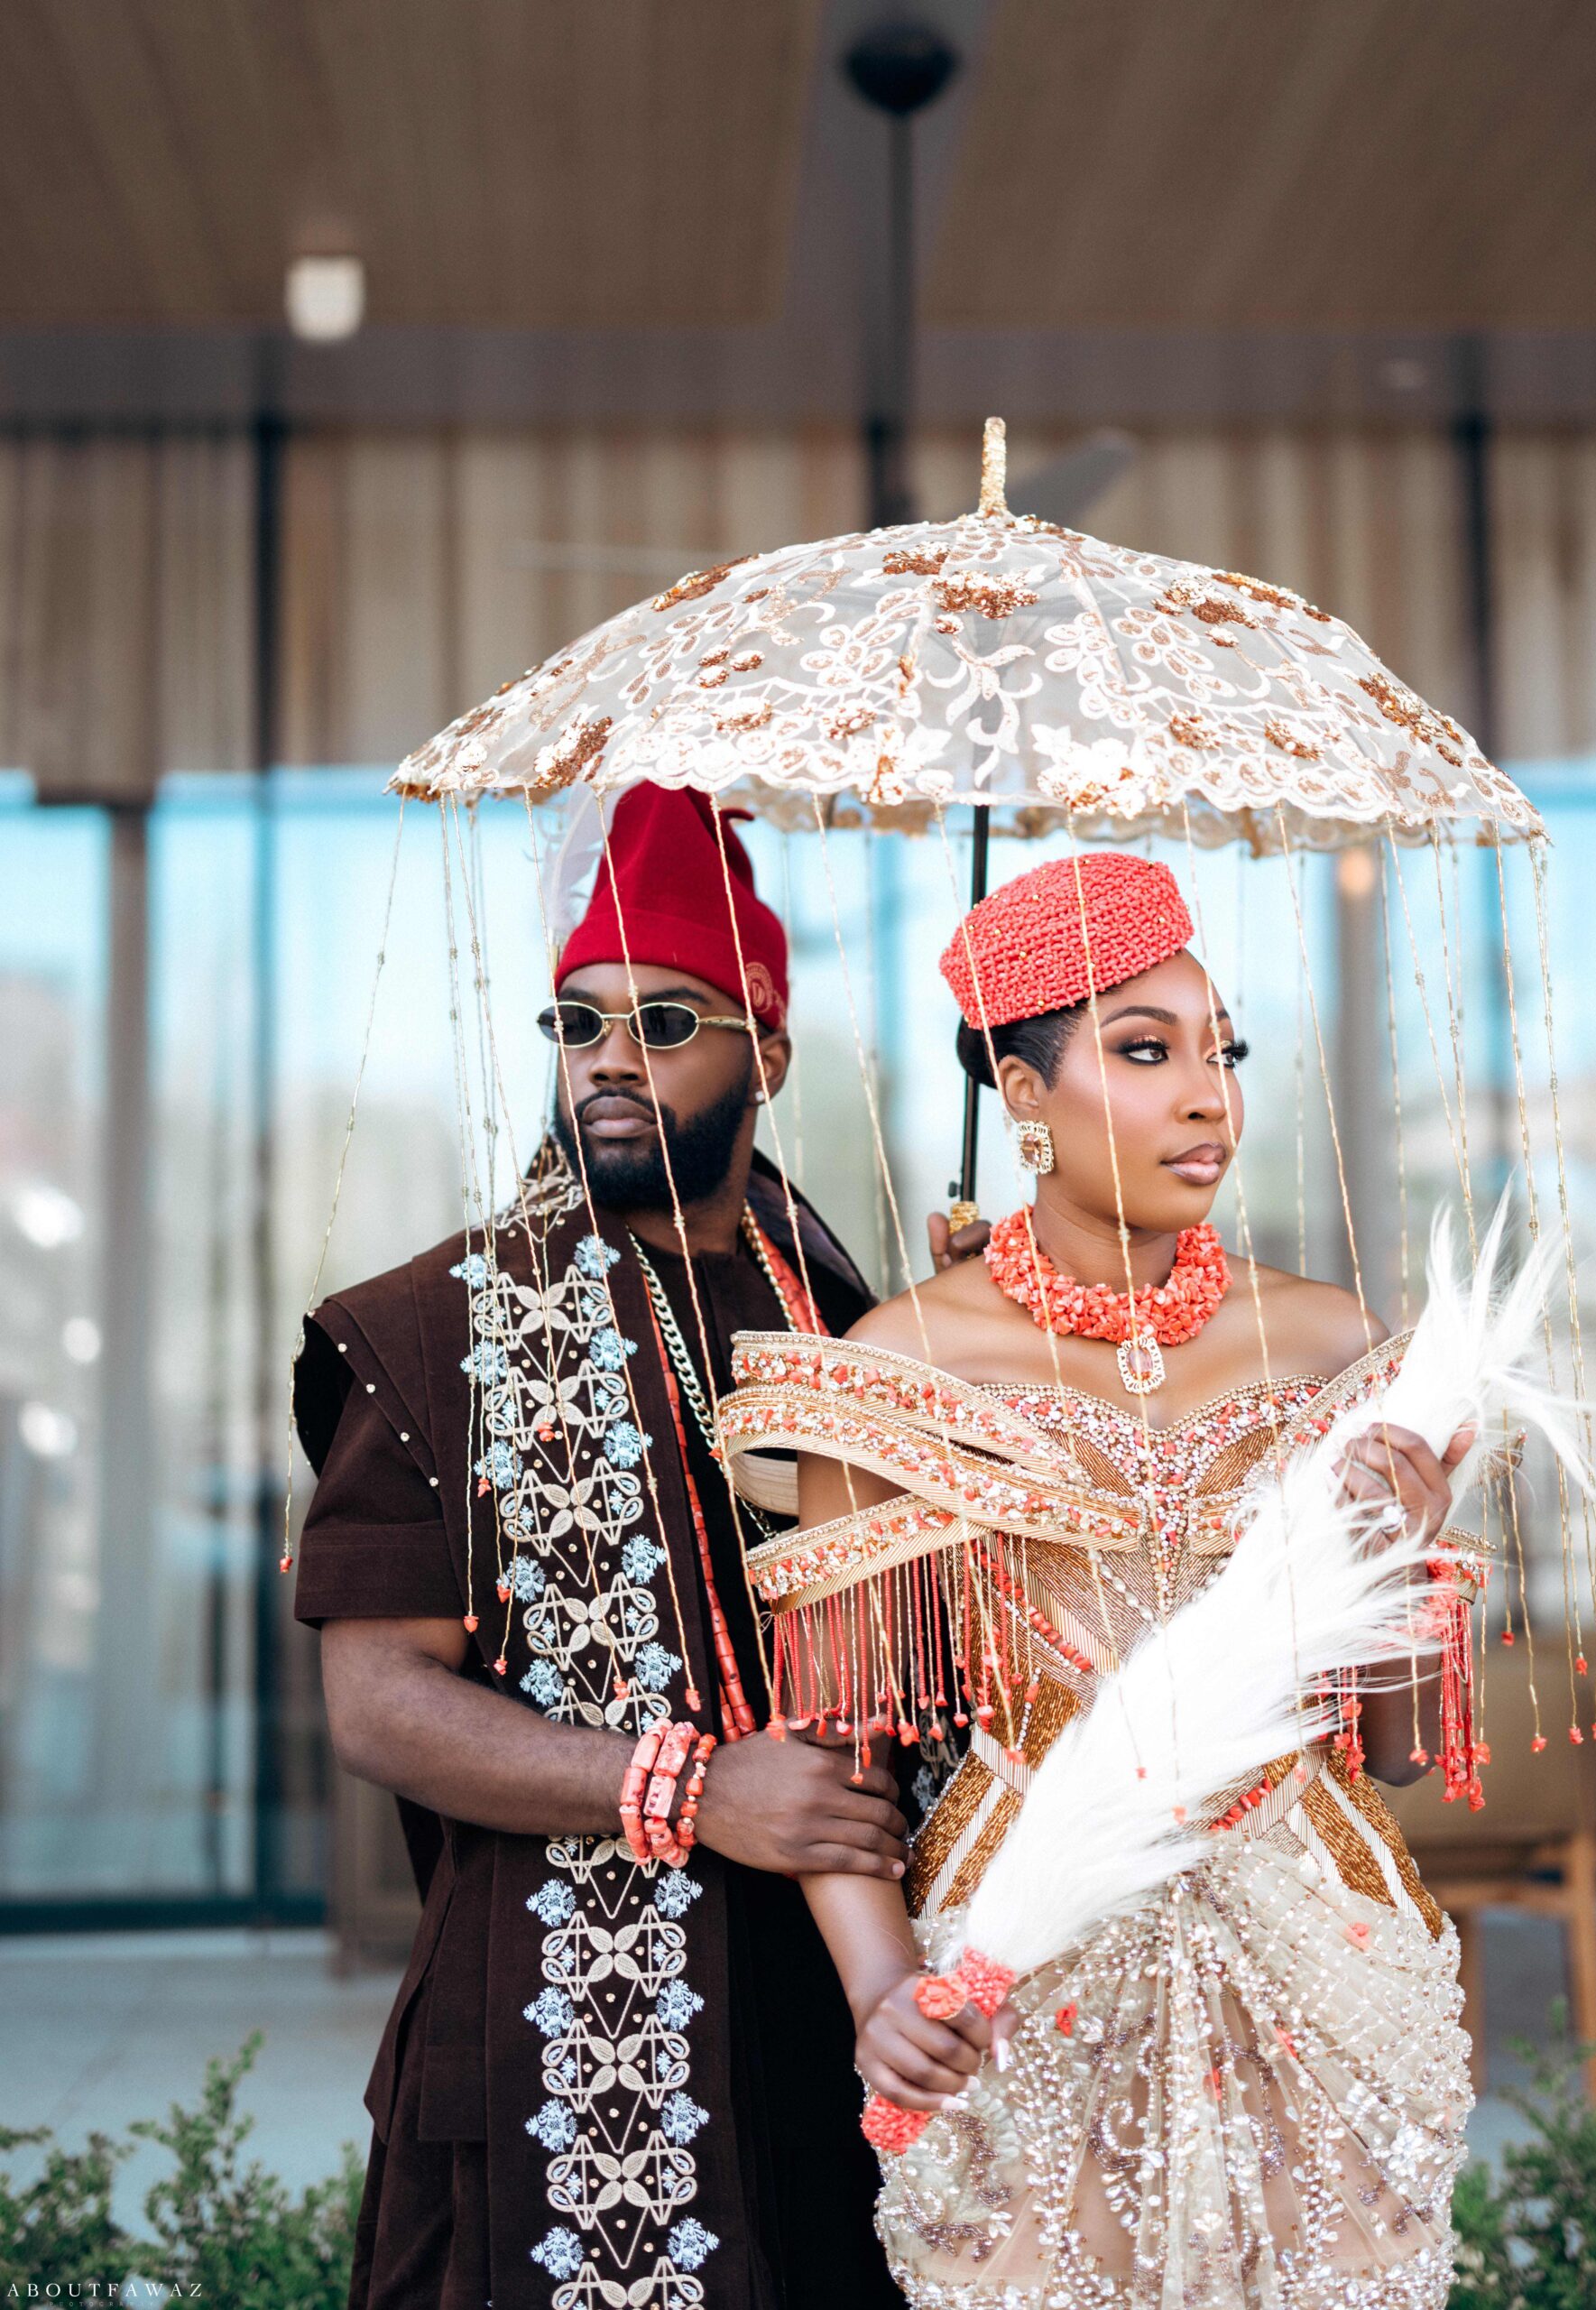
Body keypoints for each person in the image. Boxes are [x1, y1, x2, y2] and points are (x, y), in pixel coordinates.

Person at [716, 851, 1479, 2309]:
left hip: (1325, 1950)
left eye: (1220, 1053)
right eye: (1144, 1051)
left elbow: (1390, 1748)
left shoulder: (1331, 1342)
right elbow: (837, 1752)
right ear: (1022, 1094)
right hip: (1026, 1963)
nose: (1207, 1098)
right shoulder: (900, 1367)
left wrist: (1397, 1561)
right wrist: (880, 1992)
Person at [291, 784, 918, 2310]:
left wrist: (977, 1345)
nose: (611, 1059)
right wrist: (698, 1791)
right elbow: (379, 1706)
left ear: (769, 1051)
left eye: (666, 1021)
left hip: (851, 2004)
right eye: (578, 1023)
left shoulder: (858, 1315)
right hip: (564, 2028)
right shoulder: (431, 1329)